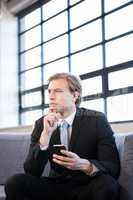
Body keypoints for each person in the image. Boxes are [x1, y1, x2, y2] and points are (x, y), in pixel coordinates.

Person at [5, 72, 120, 200]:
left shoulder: (97, 120)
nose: (51, 97)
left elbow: (112, 166)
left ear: (75, 95)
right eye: (49, 91)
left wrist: (84, 165)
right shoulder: (41, 124)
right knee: (15, 182)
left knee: (108, 184)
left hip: (86, 185)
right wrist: (45, 136)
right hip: (55, 186)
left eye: (58, 91)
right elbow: (31, 171)